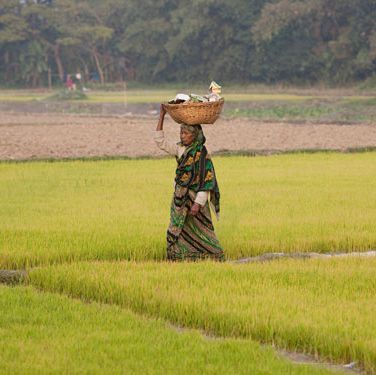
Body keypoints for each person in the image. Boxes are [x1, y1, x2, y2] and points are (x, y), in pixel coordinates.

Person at [154, 104, 224, 261]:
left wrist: (198, 203)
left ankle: (212, 256)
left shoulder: (202, 153)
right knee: (176, 228)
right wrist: (161, 116)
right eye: (181, 132)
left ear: (195, 135)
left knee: (202, 229)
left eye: (185, 133)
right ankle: (178, 257)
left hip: (195, 199)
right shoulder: (179, 149)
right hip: (180, 199)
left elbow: (207, 181)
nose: (182, 136)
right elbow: (160, 142)